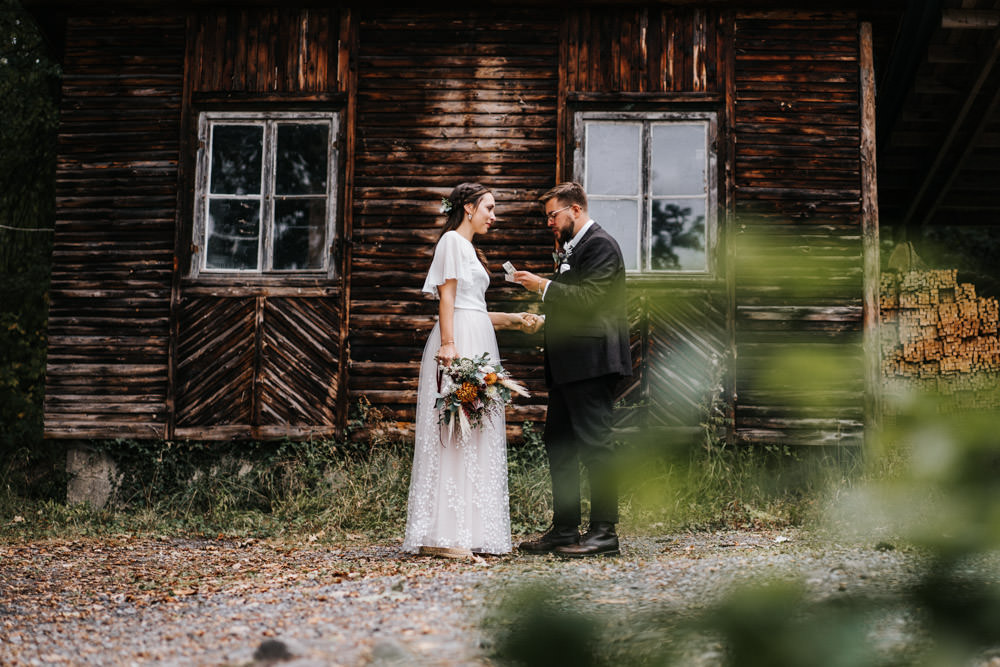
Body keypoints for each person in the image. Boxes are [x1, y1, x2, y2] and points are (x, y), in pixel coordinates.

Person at [402, 182, 538, 558]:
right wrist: (449, 344)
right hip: (458, 340)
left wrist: (513, 318)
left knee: (475, 430)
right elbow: (447, 297)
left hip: (476, 336)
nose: (494, 216)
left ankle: (467, 529)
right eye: (489, 208)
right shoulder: (451, 243)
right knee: (455, 430)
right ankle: (444, 535)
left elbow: (474, 307)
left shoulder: (469, 249)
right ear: (468, 208)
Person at [512, 182, 631, 557]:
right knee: (559, 444)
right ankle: (565, 528)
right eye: (547, 216)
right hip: (569, 365)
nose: (549, 222)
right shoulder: (571, 248)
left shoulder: (601, 245)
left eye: (553, 214)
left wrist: (544, 287)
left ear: (575, 210)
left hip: (592, 363)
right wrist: (545, 320)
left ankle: (604, 532)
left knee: (596, 446)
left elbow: (593, 300)